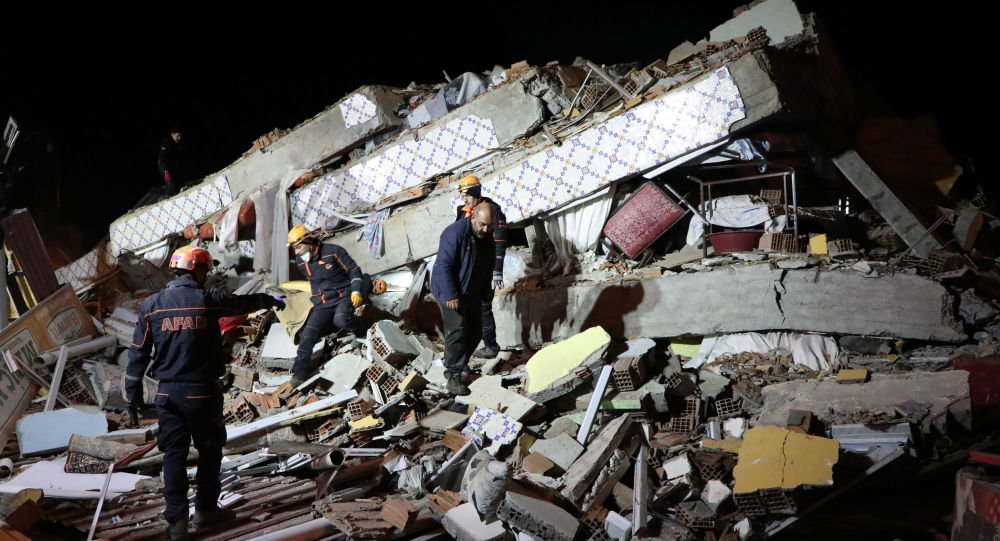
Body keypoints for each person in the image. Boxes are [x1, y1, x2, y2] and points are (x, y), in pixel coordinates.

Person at [125, 245, 284, 540]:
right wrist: (270, 299)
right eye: (205, 270)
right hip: (202, 394)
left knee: (173, 455)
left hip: (168, 396)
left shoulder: (153, 305)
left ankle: (177, 523)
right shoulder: (207, 300)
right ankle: (206, 511)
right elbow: (241, 304)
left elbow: (137, 354)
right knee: (209, 453)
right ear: (196, 270)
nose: (206, 276)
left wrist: (131, 397)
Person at [287, 225, 385, 386]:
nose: (296, 252)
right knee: (307, 335)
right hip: (322, 303)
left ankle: (362, 329)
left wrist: (356, 291)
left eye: (298, 247)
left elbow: (354, 271)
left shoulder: (333, 251)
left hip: (344, 295)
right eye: (294, 248)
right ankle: (300, 374)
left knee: (341, 320)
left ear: (309, 241)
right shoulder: (300, 262)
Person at [431, 204, 495, 395]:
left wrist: (485, 291)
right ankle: (453, 376)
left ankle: (458, 363)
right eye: (483, 225)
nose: (486, 230)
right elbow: (443, 265)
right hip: (450, 290)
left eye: (489, 226)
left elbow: (487, 264)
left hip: (471, 291)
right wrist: (451, 294)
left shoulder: (485, 237)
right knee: (457, 331)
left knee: (475, 331)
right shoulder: (455, 233)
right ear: (473, 218)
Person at [454, 175, 507, 359]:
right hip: (467, 268)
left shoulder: (491, 210)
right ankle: (469, 345)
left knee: (484, 306)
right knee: (467, 307)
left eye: (467, 195)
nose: (465, 200)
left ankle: (490, 346)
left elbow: (499, 240)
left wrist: (497, 269)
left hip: (485, 266)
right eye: (463, 196)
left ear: (475, 192)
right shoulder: (463, 211)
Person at [158, 125, 183, 196]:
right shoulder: (166, 142)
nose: (179, 138)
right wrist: (166, 171)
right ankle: (166, 198)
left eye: (180, 136)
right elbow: (162, 157)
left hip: (172, 166)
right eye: (178, 136)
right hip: (164, 166)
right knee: (172, 185)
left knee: (180, 184)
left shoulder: (177, 144)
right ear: (172, 134)